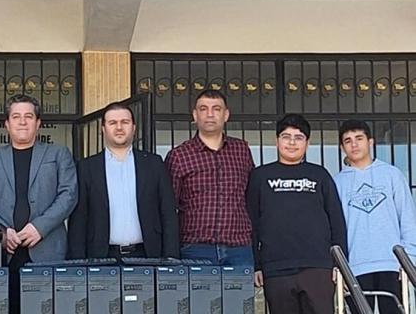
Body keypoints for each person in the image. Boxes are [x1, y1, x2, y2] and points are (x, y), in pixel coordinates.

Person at [0, 95, 77, 314]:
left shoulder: (58, 154)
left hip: (47, 250)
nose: (22, 122)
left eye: (28, 116)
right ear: (7, 123)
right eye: (16, 117)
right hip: (4, 252)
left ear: (38, 123)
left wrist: (39, 227)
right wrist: (2, 231)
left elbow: (68, 195)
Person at [247, 113, 347, 314]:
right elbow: (251, 223)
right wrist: (256, 265)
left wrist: (340, 263)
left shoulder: (319, 175)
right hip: (275, 268)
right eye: (286, 137)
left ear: (307, 144)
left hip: (318, 266)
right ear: (277, 141)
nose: (292, 143)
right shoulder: (260, 176)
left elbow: (337, 221)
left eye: (298, 137)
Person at [68, 101, 179, 260]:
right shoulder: (86, 168)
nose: (119, 127)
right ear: (103, 129)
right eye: (112, 123)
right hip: (101, 257)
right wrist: (78, 261)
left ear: (133, 128)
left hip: (148, 255)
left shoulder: (154, 164)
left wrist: (171, 256)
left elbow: (167, 212)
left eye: (125, 122)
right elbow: (79, 220)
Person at [164, 89, 254, 265]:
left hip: (239, 249)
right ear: (195, 115)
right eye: (203, 109)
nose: (210, 114)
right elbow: (168, 207)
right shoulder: (179, 155)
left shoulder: (241, 150)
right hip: (194, 249)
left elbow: (252, 198)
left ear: (226, 115)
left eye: (216, 109)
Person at [335, 119, 416, 314]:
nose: (354, 144)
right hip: (354, 266)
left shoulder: (392, 175)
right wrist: (339, 267)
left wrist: (408, 259)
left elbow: (407, 218)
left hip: (392, 263)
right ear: (342, 147)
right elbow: (334, 228)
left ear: (370, 142)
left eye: (359, 138)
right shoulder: (336, 183)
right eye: (348, 141)